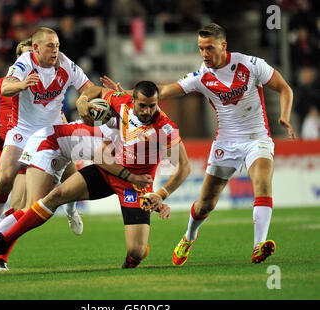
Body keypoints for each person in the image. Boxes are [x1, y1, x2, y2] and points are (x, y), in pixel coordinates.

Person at [98, 23, 297, 265]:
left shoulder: (252, 65)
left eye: (209, 48)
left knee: (262, 184)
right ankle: (189, 237)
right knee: (205, 205)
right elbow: (162, 90)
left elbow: (284, 88)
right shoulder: (201, 76)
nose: (204, 54)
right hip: (226, 143)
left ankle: (258, 246)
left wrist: (285, 114)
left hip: (257, 138)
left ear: (223, 46)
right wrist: (129, 94)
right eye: (201, 48)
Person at [0, 81, 191, 269]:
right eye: (142, 106)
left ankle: (134, 258)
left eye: (152, 106)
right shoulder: (121, 102)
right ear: (133, 101)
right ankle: (5, 238)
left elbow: (183, 167)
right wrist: (83, 100)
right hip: (108, 171)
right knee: (56, 195)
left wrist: (161, 194)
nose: (147, 111)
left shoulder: (165, 129)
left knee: (136, 250)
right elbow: (97, 90)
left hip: (134, 187)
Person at [0, 27, 93, 276]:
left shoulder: (65, 65)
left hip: (53, 133)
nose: (55, 50)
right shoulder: (21, 66)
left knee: (64, 185)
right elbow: (3, 90)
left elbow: (89, 88)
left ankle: (70, 210)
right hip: (23, 132)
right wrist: (19, 86)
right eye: (49, 46)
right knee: (12, 187)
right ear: (34, 50)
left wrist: (89, 99)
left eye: (57, 45)